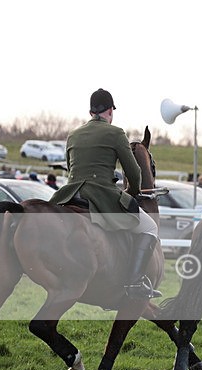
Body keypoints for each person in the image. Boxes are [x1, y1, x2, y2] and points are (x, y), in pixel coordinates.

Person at [49, 88, 161, 299]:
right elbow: (134, 173)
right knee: (149, 227)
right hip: (101, 196)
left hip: (69, 195)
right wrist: (131, 193)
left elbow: (71, 168)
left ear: (91, 112)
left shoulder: (73, 135)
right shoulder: (116, 133)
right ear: (110, 111)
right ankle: (135, 282)